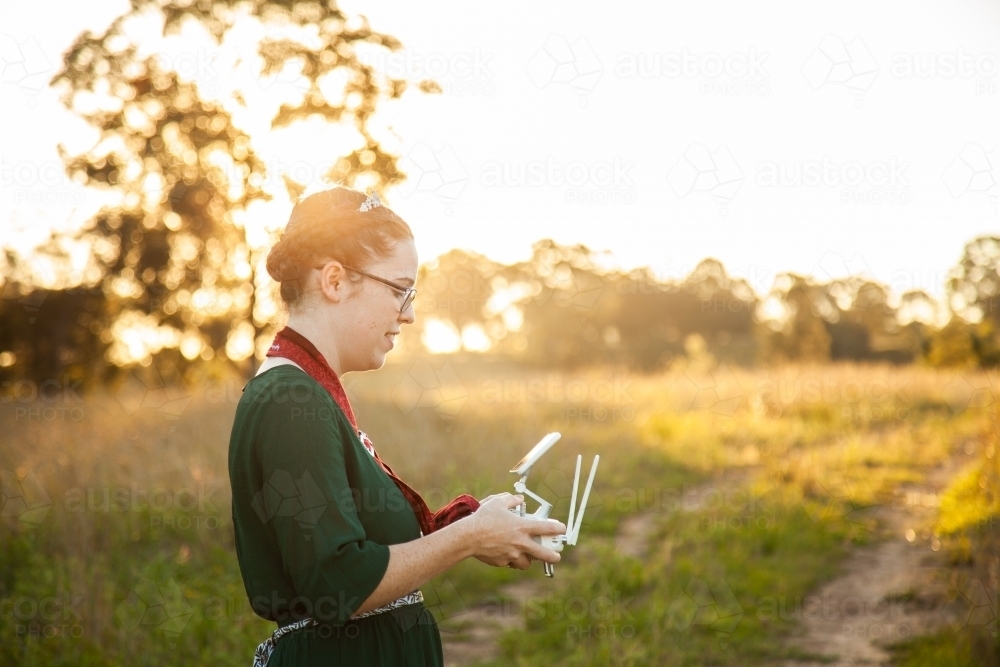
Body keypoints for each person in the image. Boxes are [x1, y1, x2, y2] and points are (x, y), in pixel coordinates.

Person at [228, 187, 565, 667]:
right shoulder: (290, 400)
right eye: (398, 290)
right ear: (335, 281)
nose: (408, 313)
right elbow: (338, 583)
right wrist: (468, 539)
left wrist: (473, 524)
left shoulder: (312, 393)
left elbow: (362, 553)